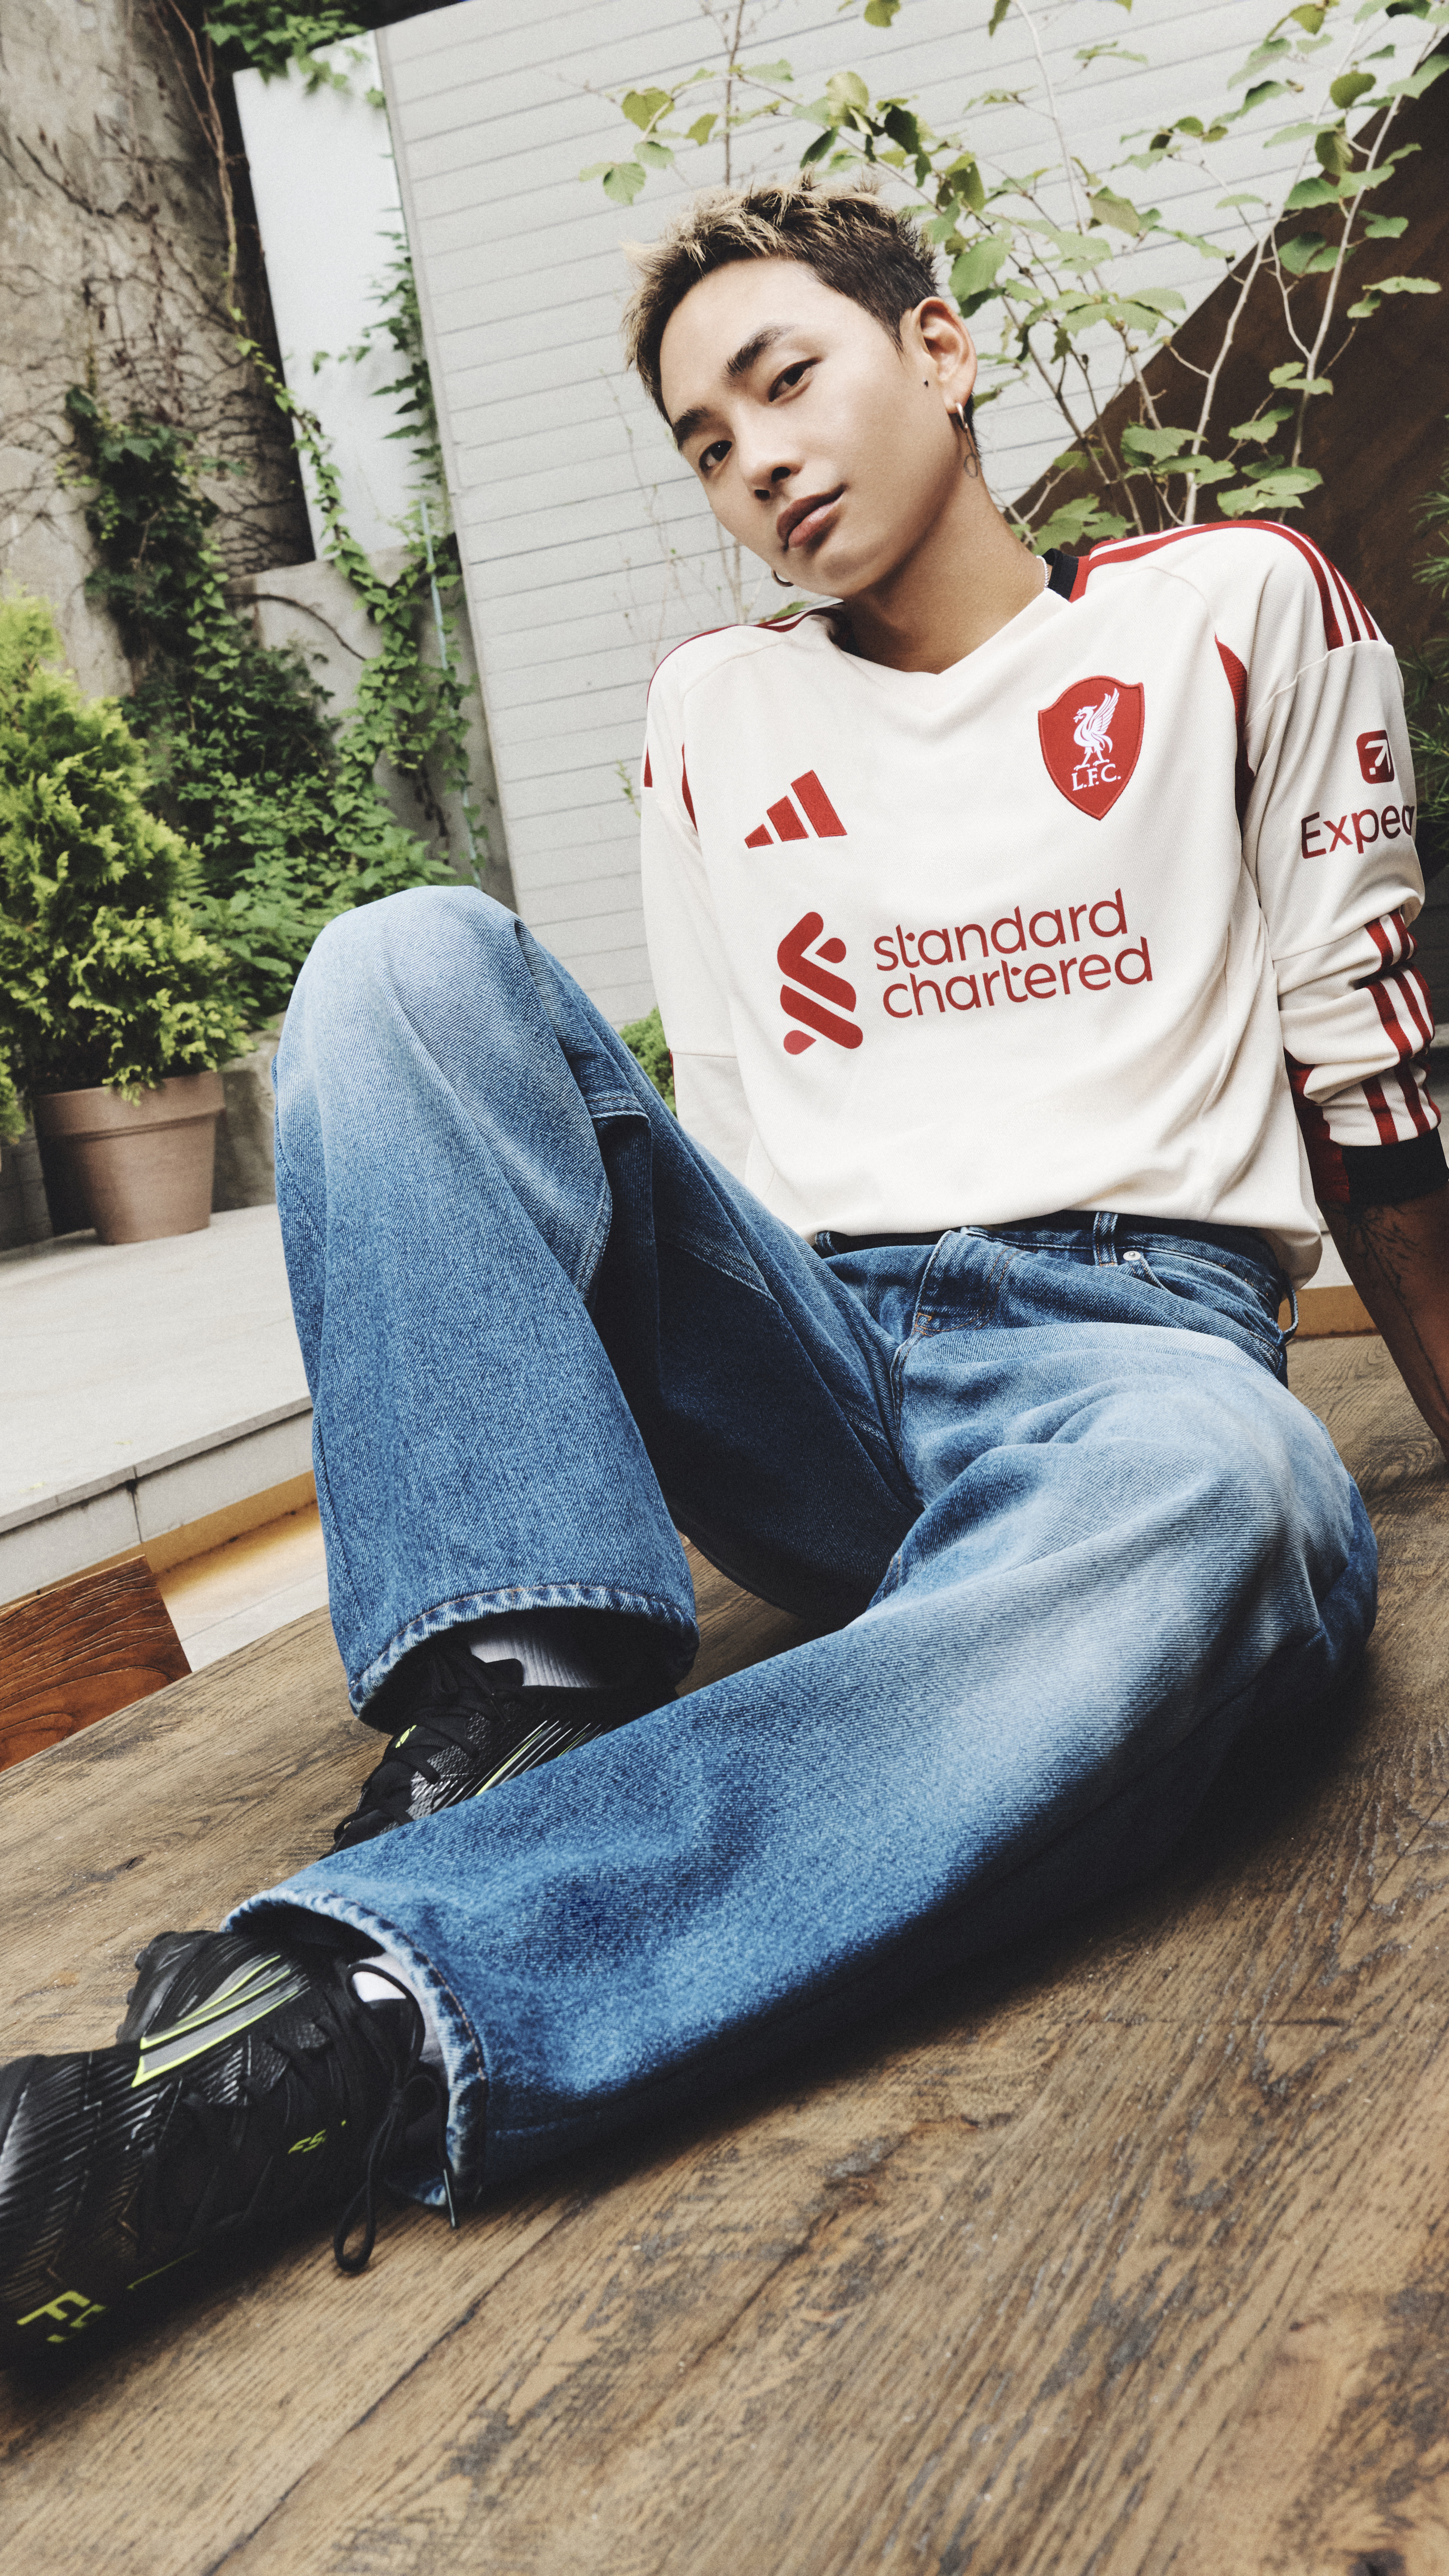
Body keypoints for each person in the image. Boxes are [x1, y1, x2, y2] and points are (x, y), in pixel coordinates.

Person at [4, 178, 1446, 2365]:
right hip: (828, 1355)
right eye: (705, 435)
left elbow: (1379, 1094)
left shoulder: (1234, 608)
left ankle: (348, 2025)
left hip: (1131, 1357)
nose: (758, 454)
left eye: (790, 375)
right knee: (402, 957)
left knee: (1242, 1499)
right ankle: (516, 1697)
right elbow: (727, 1133)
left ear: (939, 348)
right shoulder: (718, 711)